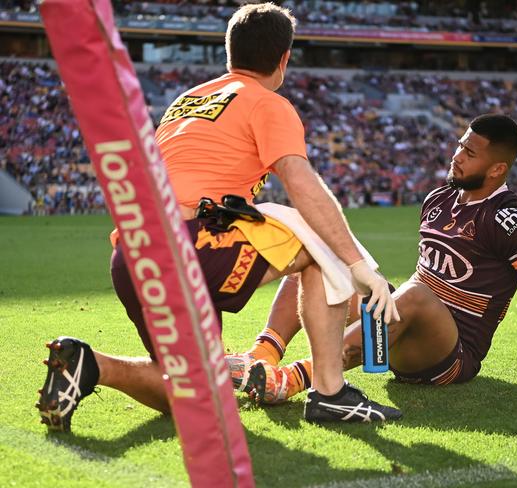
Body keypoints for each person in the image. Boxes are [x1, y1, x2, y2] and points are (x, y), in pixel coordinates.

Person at [36, 2, 401, 432]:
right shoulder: (267, 103)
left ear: (230, 53)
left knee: (200, 393)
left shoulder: (186, 101)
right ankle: (330, 392)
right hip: (193, 245)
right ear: (284, 59)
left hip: (133, 256)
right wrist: (359, 266)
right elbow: (301, 181)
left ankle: (92, 365)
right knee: (321, 246)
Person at [229, 114, 517, 405]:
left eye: (470, 153)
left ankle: (294, 379)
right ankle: (261, 354)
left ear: (498, 169)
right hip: (404, 320)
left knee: (415, 295)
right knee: (318, 260)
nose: (457, 156)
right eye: (460, 145)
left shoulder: (510, 219)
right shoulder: (438, 198)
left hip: (450, 355)